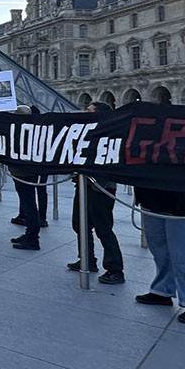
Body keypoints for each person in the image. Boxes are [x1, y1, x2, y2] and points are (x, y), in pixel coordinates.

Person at [134, 186, 185, 324]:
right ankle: (162, 290)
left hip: (184, 205)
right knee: (160, 251)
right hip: (152, 199)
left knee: (183, 256)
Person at [69, 101, 125, 284]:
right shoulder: (86, 131)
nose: (86, 112)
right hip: (84, 184)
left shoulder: (110, 132)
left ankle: (115, 269)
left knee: (103, 228)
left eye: (90, 110)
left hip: (101, 187)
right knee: (79, 224)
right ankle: (87, 258)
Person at [8, 104, 45, 250]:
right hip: (27, 171)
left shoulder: (20, 131)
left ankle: (32, 239)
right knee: (28, 204)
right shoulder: (33, 129)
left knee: (29, 205)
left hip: (23, 172)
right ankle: (29, 233)